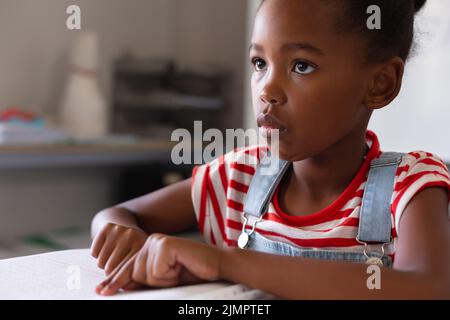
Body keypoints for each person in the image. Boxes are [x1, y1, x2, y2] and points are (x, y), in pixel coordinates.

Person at [90, 0, 450, 299]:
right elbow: (117, 214)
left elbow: (428, 287)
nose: (266, 90)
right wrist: (126, 236)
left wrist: (225, 262)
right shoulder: (239, 177)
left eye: (301, 66)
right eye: (260, 63)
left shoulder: (409, 186)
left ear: (380, 84)